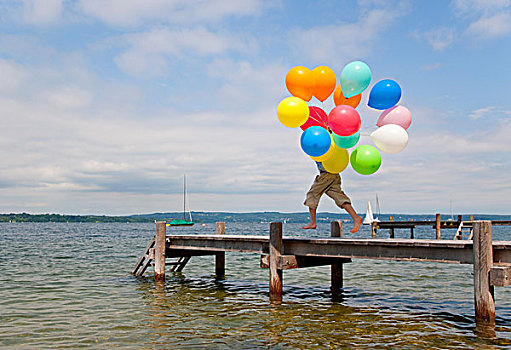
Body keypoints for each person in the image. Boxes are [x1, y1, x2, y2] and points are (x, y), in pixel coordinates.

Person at [302, 162, 362, 233]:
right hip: (335, 174)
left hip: (326, 175)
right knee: (339, 197)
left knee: (312, 195)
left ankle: (313, 222)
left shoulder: (322, 151)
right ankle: (356, 217)